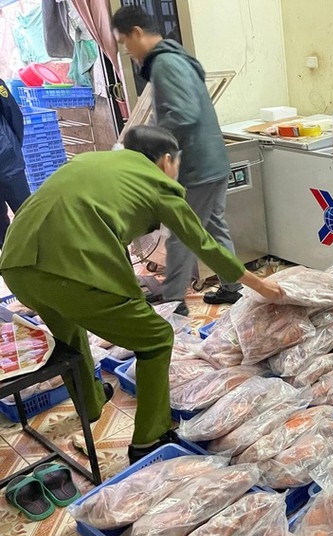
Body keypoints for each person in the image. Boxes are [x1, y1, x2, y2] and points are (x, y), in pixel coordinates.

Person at [0, 125, 283, 464]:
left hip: (16, 265)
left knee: (69, 330)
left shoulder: (92, 161)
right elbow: (203, 243)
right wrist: (261, 285)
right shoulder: (158, 185)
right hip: (68, 272)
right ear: (166, 160)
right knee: (157, 337)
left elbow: (88, 220)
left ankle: (91, 402)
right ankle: (149, 438)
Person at [111, 6, 242, 315]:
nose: (126, 50)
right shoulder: (176, 57)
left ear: (137, 33)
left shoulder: (165, 64)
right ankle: (232, 286)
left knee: (182, 233)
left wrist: (148, 143)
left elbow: (183, 114)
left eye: (124, 42)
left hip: (195, 166)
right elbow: (173, 112)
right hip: (212, 161)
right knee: (213, 227)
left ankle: (173, 302)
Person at [0, 77, 31, 247]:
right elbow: (13, 114)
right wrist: (14, 145)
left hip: (6, 158)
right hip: (7, 158)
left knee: (25, 212)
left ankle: (10, 255)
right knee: (27, 211)